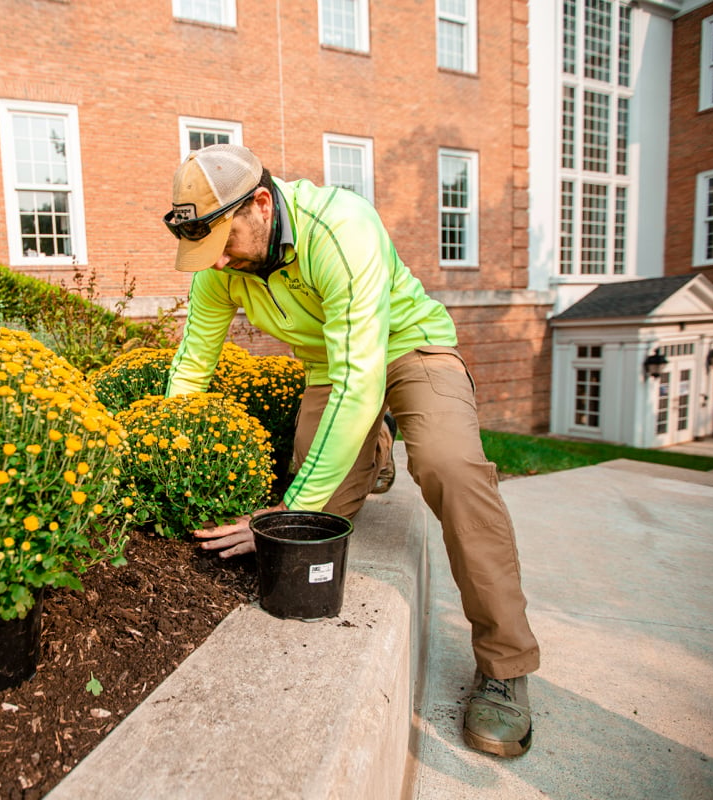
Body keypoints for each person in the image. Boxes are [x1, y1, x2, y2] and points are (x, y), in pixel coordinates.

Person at [161, 143, 540, 758]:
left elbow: (363, 380)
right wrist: (160, 446)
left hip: (410, 348)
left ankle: (505, 663)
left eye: (223, 241)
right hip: (332, 370)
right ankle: (371, 449)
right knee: (321, 509)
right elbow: (191, 366)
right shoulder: (220, 267)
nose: (218, 260)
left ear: (260, 204)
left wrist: (278, 518)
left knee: (449, 467)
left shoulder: (342, 227)